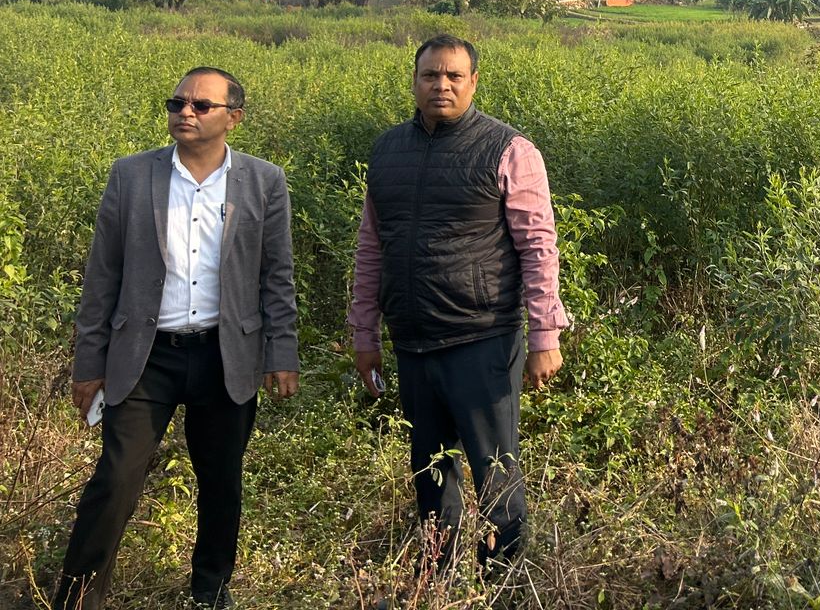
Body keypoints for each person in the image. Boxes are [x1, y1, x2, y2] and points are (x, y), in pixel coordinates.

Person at [54, 68, 299, 610]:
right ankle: (78, 598)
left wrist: (282, 352)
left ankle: (210, 590)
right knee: (115, 479)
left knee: (221, 482)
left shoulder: (264, 181)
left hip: (224, 353)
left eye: (201, 105)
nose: (185, 112)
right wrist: (88, 362)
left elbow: (276, 276)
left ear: (234, 117)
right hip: (146, 357)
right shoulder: (131, 175)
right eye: (177, 103)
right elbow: (102, 276)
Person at [349, 34, 568, 570]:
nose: (440, 85)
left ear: (473, 82)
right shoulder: (387, 151)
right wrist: (364, 332)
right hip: (413, 341)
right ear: (414, 81)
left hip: (481, 338)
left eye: (453, 76)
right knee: (430, 473)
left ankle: (502, 584)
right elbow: (372, 247)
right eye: (430, 75)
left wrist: (544, 334)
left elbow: (538, 245)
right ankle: (439, 579)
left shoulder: (508, 149)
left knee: (495, 472)